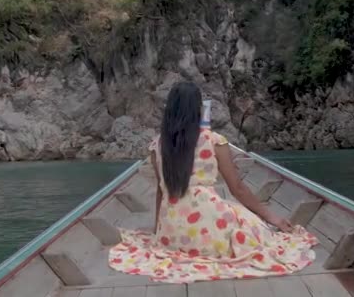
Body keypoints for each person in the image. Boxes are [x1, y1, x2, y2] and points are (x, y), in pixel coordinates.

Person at [109, 82, 317, 283]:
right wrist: (273, 218)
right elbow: (238, 189)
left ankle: (173, 234)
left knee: (230, 215)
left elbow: (161, 192)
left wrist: (159, 230)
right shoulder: (213, 140)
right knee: (250, 224)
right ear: (198, 109)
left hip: (171, 231)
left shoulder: (157, 145)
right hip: (208, 224)